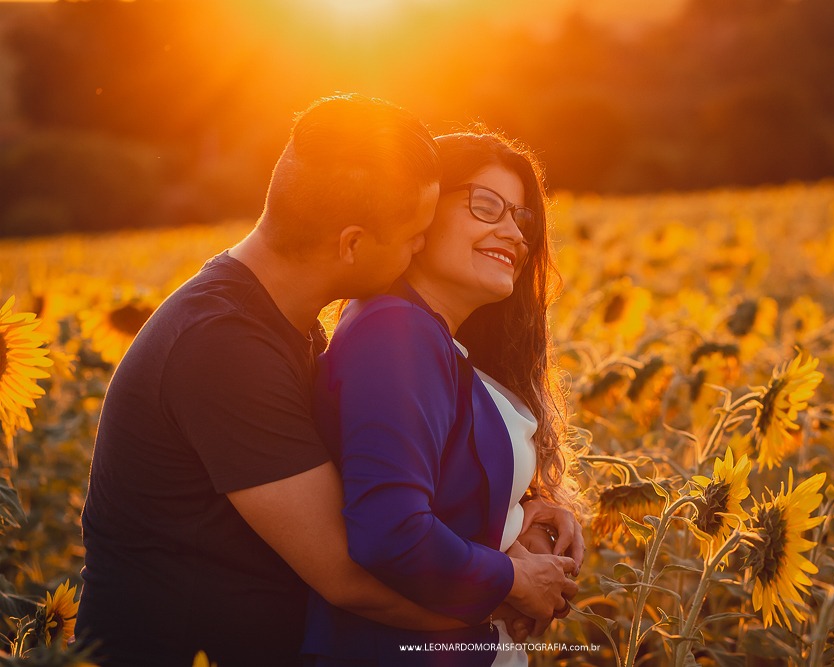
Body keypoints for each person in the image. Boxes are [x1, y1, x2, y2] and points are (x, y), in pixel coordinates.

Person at [76, 95, 577, 667]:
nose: (419, 246)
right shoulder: (222, 348)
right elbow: (351, 574)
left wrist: (513, 518)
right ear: (353, 244)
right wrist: (508, 591)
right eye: (415, 233)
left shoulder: (281, 322)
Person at [302, 131, 586, 666]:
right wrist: (515, 580)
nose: (515, 234)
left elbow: (436, 495)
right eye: (486, 206)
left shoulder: (433, 340)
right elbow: (390, 530)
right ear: (423, 211)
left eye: (523, 218)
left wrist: (518, 511)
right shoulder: (395, 334)